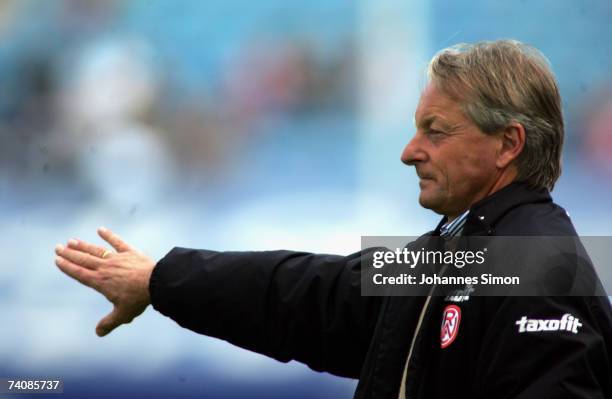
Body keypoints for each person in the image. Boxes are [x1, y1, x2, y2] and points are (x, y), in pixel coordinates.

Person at [54, 40, 612, 398]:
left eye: (436, 131)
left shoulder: (540, 269)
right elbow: (308, 296)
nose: (409, 151)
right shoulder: (464, 255)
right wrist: (159, 280)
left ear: (507, 144)